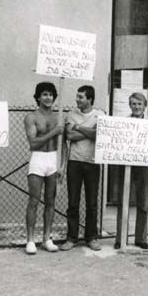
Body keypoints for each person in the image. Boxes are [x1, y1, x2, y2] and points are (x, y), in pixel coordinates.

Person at [60, 85, 104, 252]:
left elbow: (100, 134)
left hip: (93, 162)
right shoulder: (71, 114)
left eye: (81, 97)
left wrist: (78, 128)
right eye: (77, 96)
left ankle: (91, 237)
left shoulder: (99, 114)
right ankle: (72, 237)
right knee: (73, 202)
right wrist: (90, 131)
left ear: (90, 99)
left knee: (92, 203)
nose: (77, 99)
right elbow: (69, 135)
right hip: (74, 162)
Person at [23, 82, 64, 255]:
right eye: (45, 94)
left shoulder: (58, 118)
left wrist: (63, 165)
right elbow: (33, 143)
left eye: (51, 95)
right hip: (38, 159)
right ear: (38, 97)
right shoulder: (31, 117)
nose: (48, 98)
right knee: (34, 200)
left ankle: (47, 238)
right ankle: (30, 240)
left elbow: (65, 145)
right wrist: (53, 133)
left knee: (50, 201)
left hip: (53, 159)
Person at [113, 92, 148, 250]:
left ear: (145, 106)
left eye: (139, 104)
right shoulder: (124, 121)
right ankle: (120, 238)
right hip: (126, 164)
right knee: (123, 202)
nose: (137, 107)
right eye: (134, 104)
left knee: (143, 202)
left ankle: (141, 238)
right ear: (130, 105)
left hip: (144, 166)